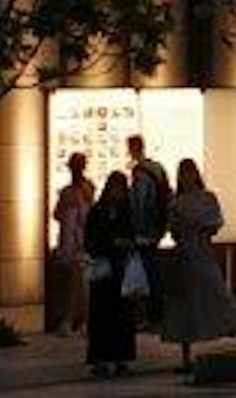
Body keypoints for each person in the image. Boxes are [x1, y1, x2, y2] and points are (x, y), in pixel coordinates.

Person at [150, 157, 236, 365]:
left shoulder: (207, 198)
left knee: (221, 295)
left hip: (203, 253)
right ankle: (185, 356)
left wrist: (198, 226)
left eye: (190, 173)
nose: (187, 178)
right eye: (183, 174)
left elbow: (214, 225)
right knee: (184, 305)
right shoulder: (177, 203)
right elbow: (174, 230)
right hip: (185, 257)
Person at [80, 157, 141, 378]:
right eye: (115, 188)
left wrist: (125, 244)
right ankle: (100, 360)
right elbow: (90, 240)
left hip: (121, 271)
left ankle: (121, 359)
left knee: (122, 317)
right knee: (102, 317)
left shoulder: (126, 213)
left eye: (121, 189)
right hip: (104, 271)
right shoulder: (98, 211)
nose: (118, 193)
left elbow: (132, 236)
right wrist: (110, 244)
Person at [44, 152, 95, 339]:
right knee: (75, 284)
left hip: (79, 242)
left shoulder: (82, 190)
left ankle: (75, 320)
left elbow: (60, 214)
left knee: (79, 284)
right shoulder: (70, 192)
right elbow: (58, 214)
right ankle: (74, 320)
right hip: (72, 242)